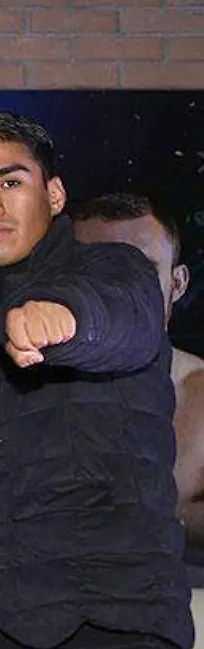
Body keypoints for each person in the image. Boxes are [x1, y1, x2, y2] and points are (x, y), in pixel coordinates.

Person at [0, 111, 192, 649]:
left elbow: (127, 318)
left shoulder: (114, 265)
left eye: (10, 181)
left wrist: (67, 320)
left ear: (54, 195)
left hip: (105, 640)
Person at [71, 194, 204, 566]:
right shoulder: (23, 397)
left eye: (142, 270)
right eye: (99, 270)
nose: (120, 290)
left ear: (177, 283)